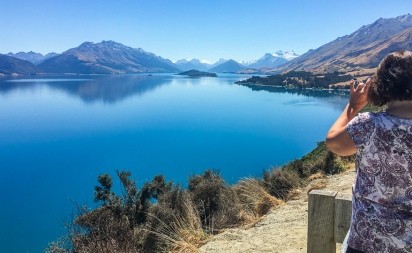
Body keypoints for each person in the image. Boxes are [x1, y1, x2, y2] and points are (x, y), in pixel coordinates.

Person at [326, 50, 412, 253]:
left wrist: (352, 107)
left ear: (381, 85)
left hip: (367, 240)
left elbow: (333, 142)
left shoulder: (368, 125)